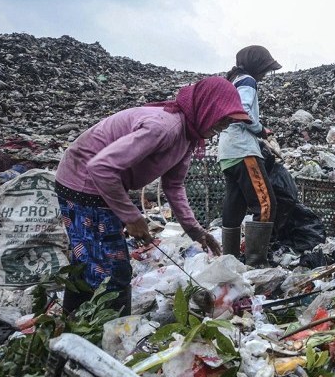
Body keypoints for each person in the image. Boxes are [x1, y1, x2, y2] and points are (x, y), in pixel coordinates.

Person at [55, 76, 249, 315]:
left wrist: (195, 231)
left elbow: (174, 185)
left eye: (230, 120)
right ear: (207, 107)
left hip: (101, 188)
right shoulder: (164, 127)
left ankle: (70, 326)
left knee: (88, 261)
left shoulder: (188, 136)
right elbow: (101, 167)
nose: (226, 125)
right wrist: (131, 216)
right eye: (224, 117)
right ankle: (109, 335)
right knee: (112, 272)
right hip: (82, 185)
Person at [218, 45, 282, 267]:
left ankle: (230, 259)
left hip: (227, 152)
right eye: (265, 69)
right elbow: (242, 111)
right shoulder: (247, 81)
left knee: (234, 203)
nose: (265, 74)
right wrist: (261, 130)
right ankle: (255, 261)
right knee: (265, 204)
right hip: (243, 150)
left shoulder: (234, 81)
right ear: (256, 65)